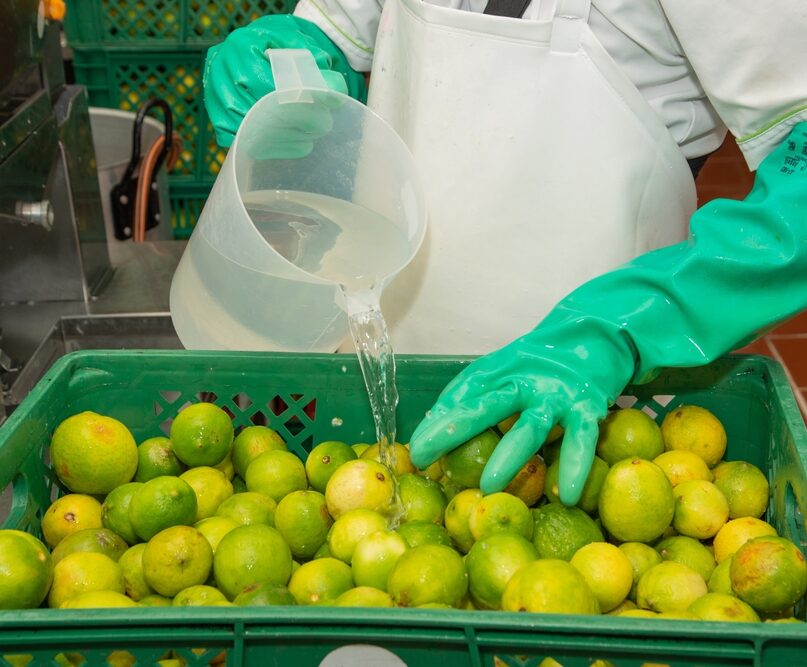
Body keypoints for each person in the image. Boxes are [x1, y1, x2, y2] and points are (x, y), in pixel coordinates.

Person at [204, 0, 807, 504]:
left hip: (598, 403)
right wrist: (293, 55)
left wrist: (625, 327)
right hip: (381, 353)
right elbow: (339, 31)